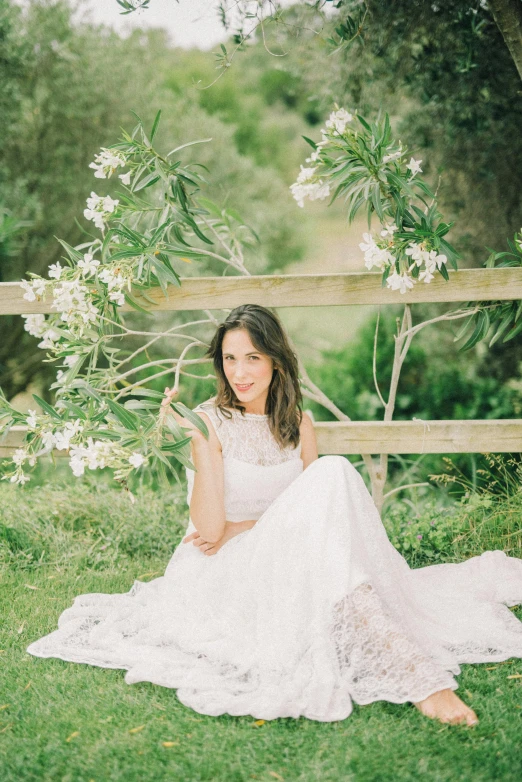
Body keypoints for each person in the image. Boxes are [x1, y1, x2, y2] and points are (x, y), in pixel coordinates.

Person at [27, 304, 522, 725]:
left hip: (291, 554)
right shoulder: (209, 421)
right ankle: (419, 679)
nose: (240, 372)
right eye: (229, 359)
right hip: (225, 567)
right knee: (330, 477)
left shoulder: (298, 425)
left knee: (329, 476)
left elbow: (318, 517)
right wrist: (199, 446)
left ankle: (411, 670)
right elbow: (211, 531)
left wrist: (251, 525)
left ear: (276, 362)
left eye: (252, 358)